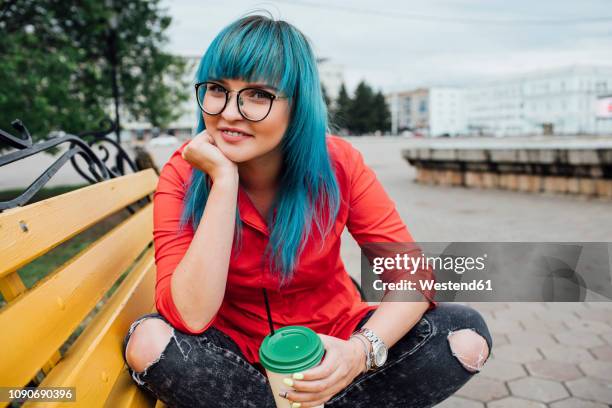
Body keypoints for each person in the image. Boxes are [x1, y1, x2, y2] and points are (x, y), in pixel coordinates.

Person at [122, 14, 492, 408]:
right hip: (233, 357)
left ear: (298, 106)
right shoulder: (184, 172)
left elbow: (411, 274)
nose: (229, 112)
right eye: (217, 89)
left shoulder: (337, 163)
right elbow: (190, 317)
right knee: (149, 344)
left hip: (333, 342)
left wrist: (358, 354)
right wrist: (223, 183)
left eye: (258, 95)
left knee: (463, 336)